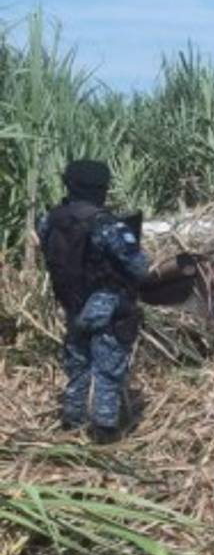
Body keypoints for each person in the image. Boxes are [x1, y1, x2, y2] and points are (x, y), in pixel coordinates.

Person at [36, 160, 150, 442]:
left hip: (71, 302)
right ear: (101, 188)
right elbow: (138, 268)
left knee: (78, 364)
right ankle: (104, 431)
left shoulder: (49, 220)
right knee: (108, 369)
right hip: (107, 305)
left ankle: (72, 423)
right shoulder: (105, 224)